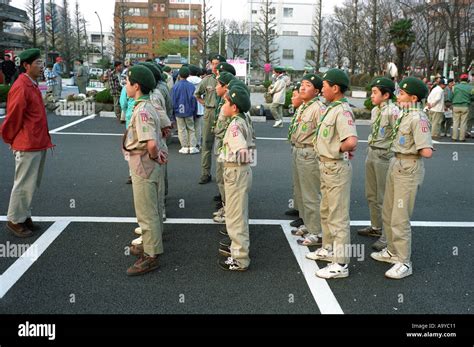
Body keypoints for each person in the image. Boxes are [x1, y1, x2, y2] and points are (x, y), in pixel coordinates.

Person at [371, 77, 433, 279]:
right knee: (388, 212)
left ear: (413, 97)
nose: (398, 96)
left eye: (402, 94)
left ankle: (404, 261)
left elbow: (426, 151)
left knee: (400, 216)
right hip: (396, 163)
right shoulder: (405, 115)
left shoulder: (418, 118)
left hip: (408, 167)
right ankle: (391, 250)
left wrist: (420, 146)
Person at [306, 68, 358, 280]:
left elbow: (351, 141)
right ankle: (328, 249)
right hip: (327, 167)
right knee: (326, 210)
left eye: (325, 86)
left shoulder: (342, 111)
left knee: (337, 216)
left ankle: (341, 263)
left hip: (335, 167)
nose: (322, 90)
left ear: (335, 88)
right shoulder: (332, 108)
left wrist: (337, 150)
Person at [1, 48, 54, 238]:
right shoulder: (22, 86)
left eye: (41, 63)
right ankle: (15, 219)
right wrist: (10, 138)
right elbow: (13, 116)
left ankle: (24, 216)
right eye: (38, 63)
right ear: (26, 65)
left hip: (36, 141)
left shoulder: (30, 84)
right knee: (24, 183)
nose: (42, 66)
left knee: (31, 183)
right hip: (28, 142)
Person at [123, 65, 168, 276]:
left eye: (127, 82)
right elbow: (166, 129)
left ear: (136, 86)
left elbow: (150, 143)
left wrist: (153, 154)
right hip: (148, 164)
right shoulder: (148, 104)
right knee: (153, 209)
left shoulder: (142, 110)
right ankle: (151, 244)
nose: (126, 86)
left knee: (146, 211)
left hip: (143, 164)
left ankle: (151, 256)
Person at [357, 77, 399, 252]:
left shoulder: (393, 111)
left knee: (384, 197)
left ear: (386, 94)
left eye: (375, 92)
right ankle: (376, 227)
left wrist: (391, 153)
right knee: (371, 194)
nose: (371, 95)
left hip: (384, 156)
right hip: (372, 152)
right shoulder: (376, 110)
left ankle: (387, 236)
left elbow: (398, 134)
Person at [217, 85, 255, 271]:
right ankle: (238, 250)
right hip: (241, 172)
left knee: (235, 217)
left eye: (226, 102)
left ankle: (239, 258)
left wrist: (238, 162)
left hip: (235, 172)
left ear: (234, 107)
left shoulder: (234, 126)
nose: (223, 105)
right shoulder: (242, 119)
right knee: (238, 214)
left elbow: (242, 150)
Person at [288, 74, 325, 247]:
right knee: (301, 193)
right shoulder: (304, 106)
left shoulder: (318, 108)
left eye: (308, 85)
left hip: (309, 153)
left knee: (311, 194)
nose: (302, 88)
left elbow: (325, 135)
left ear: (317, 91)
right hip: (298, 150)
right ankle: (307, 223)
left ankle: (317, 232)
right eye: (302, 84)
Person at [195, 54, 226, 184]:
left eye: (217, 64)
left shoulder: (227, 79)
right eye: (213, 63)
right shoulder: (207, 80)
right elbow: (197, 94)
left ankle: (223, 175)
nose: (215, 66)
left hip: (223, 114)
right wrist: (205, 103)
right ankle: (205, 173)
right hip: (210, 112)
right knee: (206, 144)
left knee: (222, 145)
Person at [212, 71, 235, 224]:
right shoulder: (223, 101)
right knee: (221, 178)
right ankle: (227, 206)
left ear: (225, 87)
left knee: (226, 179)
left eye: (217, 84)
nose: (214, 87)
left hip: (225, 146)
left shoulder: (230, 105)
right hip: (221, 143)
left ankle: (230, 210)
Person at [285, 82, 303, 219]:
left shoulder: (311, 110)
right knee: (296, 181)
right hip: (296, 147)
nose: (291, 98)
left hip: (307, 152)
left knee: (306, 186)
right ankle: (298, 208)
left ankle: (304, 216)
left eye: (294, 95)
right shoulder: (299, 110)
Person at [172, 66, 199, 154]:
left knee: (181, 129)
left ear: (179, 75)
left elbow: (173, 100)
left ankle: (184, 146)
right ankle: (192, 146)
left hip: (178, 111)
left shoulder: (175, 86)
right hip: (189, 111)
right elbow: (194, 100)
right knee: (191, 128)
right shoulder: (191, 86)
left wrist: (173, 113)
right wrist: (194, 111)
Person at [451, 73, 474, 142]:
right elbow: (472, 97)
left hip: (455, 106)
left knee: (455, 122)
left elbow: (452, 95)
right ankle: (462, 138)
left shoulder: (454, 87)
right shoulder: (471, 87)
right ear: (467, 80)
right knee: (463, 123)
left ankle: (454, 137)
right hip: (465, 106)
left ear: (460, 79)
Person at [187, 65, 204, 149]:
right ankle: (198, 143)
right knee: (198, 126)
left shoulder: (186, 81)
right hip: (200, 106)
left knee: (190, 126)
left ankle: (190, 143)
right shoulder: (202, 81)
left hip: (189, 106)